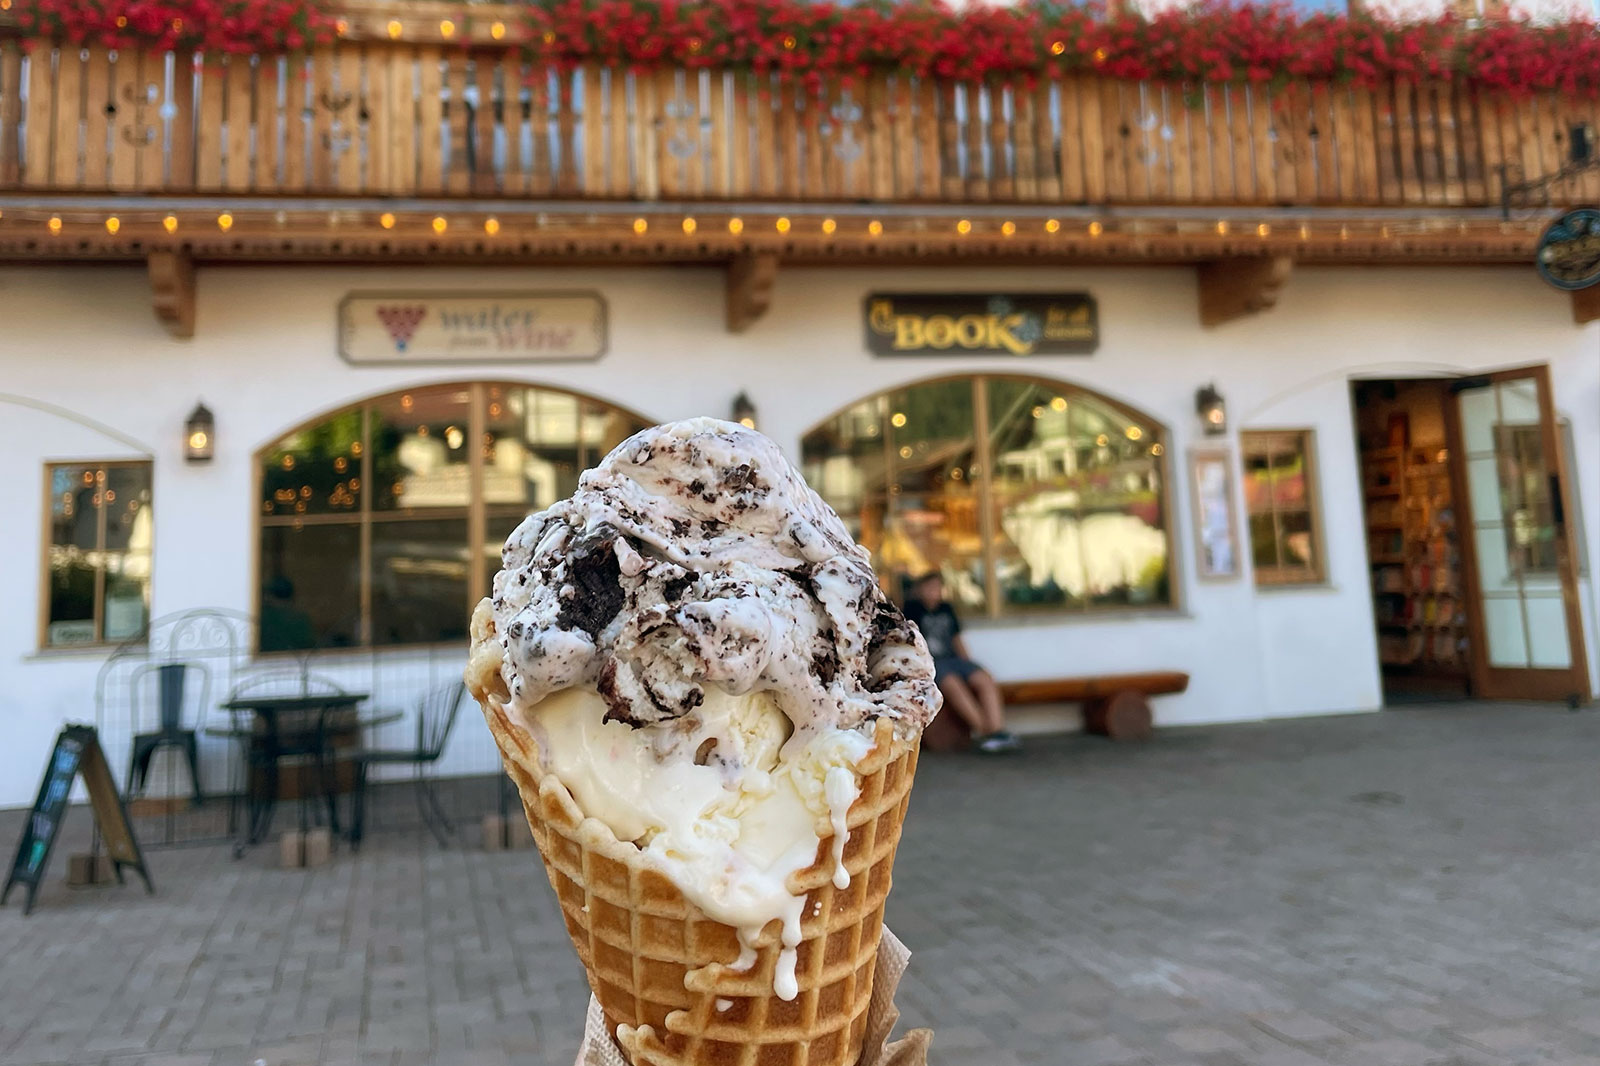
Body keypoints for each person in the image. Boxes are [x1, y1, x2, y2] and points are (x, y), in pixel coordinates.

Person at [902, 571, 1019, 754]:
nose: (935, 591)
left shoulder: (946, 609)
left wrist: (967, 662)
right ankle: (984, 732)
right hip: (931, 664)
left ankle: (997, 731)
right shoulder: (911, 610)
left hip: (953, 659)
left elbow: (956, 638)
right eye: (931, 587)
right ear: (921, 589)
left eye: (938, 587)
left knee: (984, 678)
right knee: (952, 683)